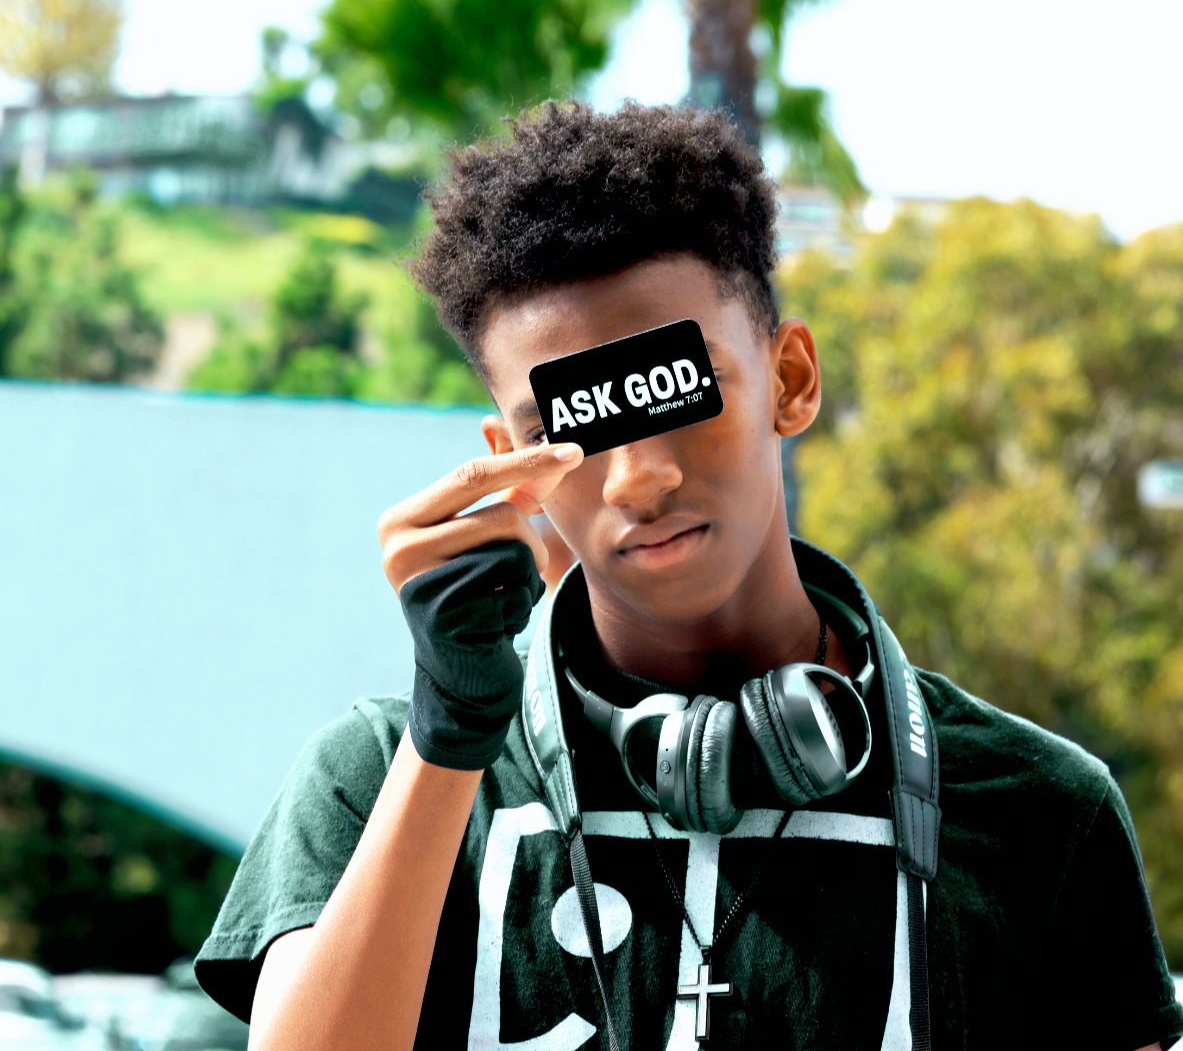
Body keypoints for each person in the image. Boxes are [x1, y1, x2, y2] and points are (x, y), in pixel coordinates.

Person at [195, 102, 1182, 1051]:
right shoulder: (374, 779)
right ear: (508, 457)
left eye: (675, 390)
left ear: (789, 379)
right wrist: (448, 740)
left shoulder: (1042, 814)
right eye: (569, 428)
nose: (638, 473)